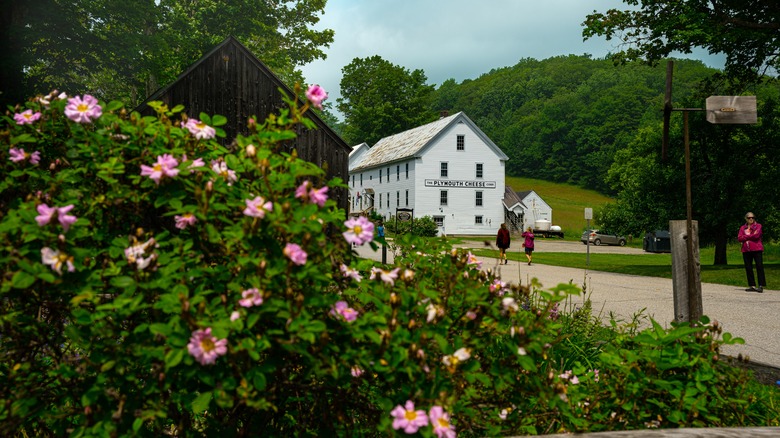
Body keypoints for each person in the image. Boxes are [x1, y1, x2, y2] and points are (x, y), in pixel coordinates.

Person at [738, 212, 766, 293]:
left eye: (753, 217)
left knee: (759, 266)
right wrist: (750, 236)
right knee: (748, 267)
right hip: (746, 250)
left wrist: (745, 237)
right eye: (749, 217)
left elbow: (756, 236)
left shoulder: (758, 226)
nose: (751, 219)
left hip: (757, 249)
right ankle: (752, 285)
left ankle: (760, 285)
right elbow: (739, 238)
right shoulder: (743, 228)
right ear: (746, 218)